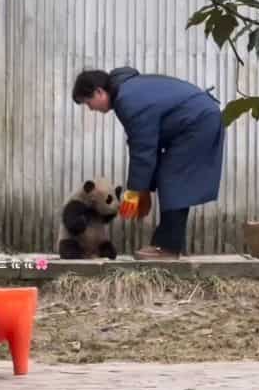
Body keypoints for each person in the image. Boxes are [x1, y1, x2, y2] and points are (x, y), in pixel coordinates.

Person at [72, 66, 225, 260]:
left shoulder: (127, 99)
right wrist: (144, 189)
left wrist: (136, 192)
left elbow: (143, 149)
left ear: (99, 92)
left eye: (88, 102)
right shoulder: (128, 91)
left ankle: (168, 248)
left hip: (198, 122)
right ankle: (170, 245)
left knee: (174, 179)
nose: (91, 109)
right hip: (196, 120)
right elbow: (142, 143)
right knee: (170, 177)